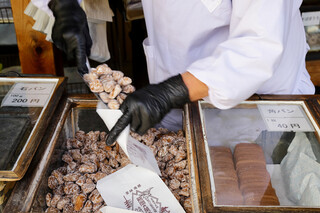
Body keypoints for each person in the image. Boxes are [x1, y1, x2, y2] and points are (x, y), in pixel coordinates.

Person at [47, 0, 315, 145]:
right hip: (174, 65)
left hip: (253, 102)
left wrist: (173, 91)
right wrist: (65, 5)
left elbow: (258, 46)